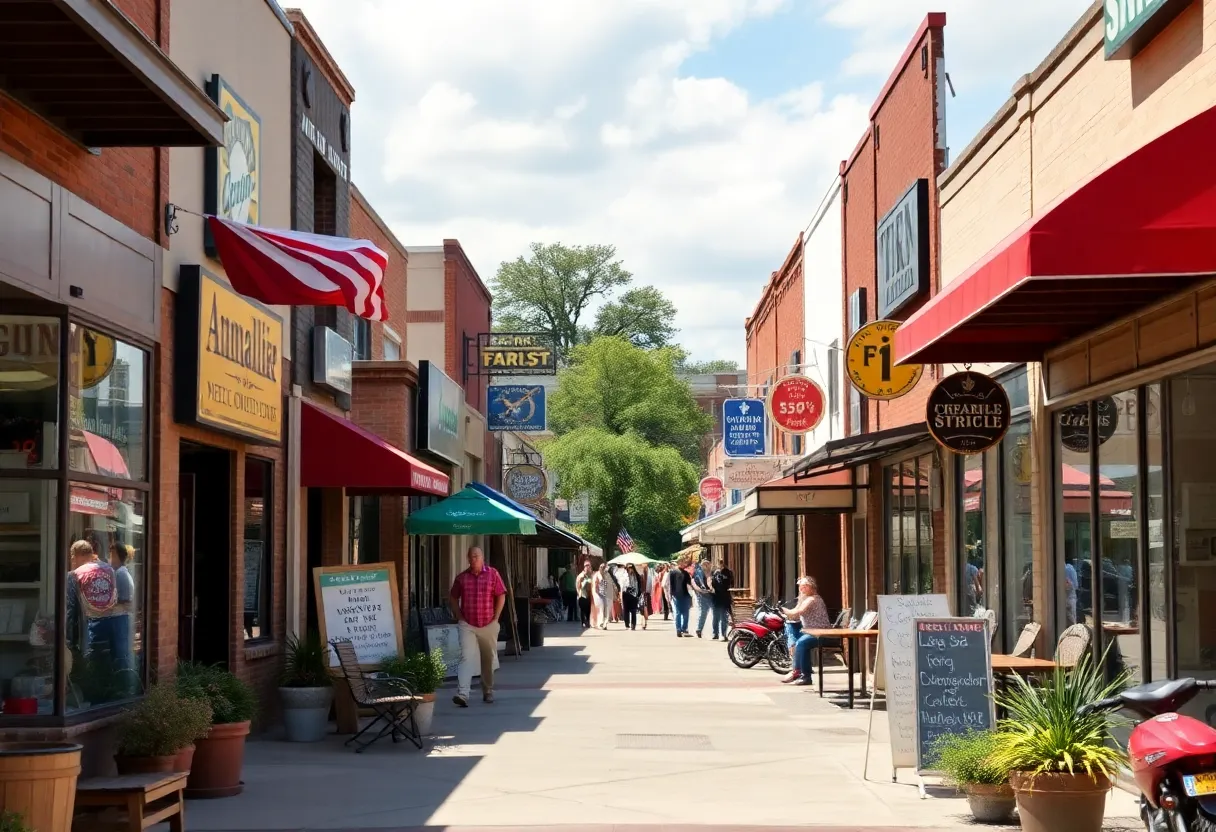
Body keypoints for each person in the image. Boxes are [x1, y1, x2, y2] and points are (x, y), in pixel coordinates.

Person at [449, 546, 507, 706]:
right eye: (471, 557)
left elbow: (501, 595)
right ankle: (463, 693)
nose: (473, 559)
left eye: (476, 556)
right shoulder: (462, 578)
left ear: (482, 558)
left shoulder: (493, 574)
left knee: (487, 658)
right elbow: (453, 597)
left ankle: (487, 690)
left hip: (488, 623)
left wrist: (496, 618)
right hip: (467, 624)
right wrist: (459, 616)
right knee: (466, 657)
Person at [66, 539, 119, 661]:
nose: (72, 561)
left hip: (87, 634)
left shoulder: (74, 575)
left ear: (75, 556)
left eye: (72, 557)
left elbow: (70, 611)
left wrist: (69, 643)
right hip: (109, 632)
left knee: (87, 668)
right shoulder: (109, 570)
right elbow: (115, 598)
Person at [780, 577, 831, 685]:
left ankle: (804, 676)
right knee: (795, 637)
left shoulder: (812, 599)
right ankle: (797, 671)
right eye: (800, 586)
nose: (802, 588)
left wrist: (783, 610)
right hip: (811, 632)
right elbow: (794, 612)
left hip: (821, 633)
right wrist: (786, 612)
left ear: (812, 587)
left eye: (805, 586)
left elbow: (798, 612)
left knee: (801, 643)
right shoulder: (805, 599)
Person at [108, 542, 135, 671]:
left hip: (120, 617)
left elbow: (124, 599)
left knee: (121, 653)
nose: (110, 558)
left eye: (111, 555)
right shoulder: (120, 572)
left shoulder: (120, 574)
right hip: (120, 617)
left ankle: (123, 677)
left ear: (117, 556)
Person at [667, 556, 694, 637]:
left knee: (686, 613)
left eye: (684, 562)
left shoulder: (686, 573)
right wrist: (670, 594)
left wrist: (691, 594)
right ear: (678, 563)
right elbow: (670, 584)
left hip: (685, 595)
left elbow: (689, 584)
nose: (683, 564)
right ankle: (679, 629)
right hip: (676, 595)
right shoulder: (672, 572)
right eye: (682, 562)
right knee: (678, 613)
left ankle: (684, 629)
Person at [710, 556, 733, 640]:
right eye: (719, 562)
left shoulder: (728, 572)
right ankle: (715, 633)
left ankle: (724, 634)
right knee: (716, 617)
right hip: (716, 597)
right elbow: (712, 583)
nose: (720, 564)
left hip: (725, 596)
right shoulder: (715, 572)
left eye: (721, 562)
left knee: (724, 617)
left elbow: (731, 583)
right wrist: (712, 588)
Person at [692, 558, 713, 638]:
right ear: (701, 565)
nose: (706, 566)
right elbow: (693, 582)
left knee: (715, 613)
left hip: (713, 595)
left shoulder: (713, 572)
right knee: (703, 613)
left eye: (707, 564)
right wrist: (700, 590)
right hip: (702, 595)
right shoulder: (697, 572)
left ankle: (716, 632)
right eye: (704, 564)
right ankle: (699, 629)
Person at [620, 563, 641, 630]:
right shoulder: (623, 575)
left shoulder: (636, 576)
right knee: (626, 610)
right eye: (628, 567)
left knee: (633, 610)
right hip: (626, 593)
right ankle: (627, 624)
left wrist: (638, 594)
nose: (630, 569)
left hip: (634, 594)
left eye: (631, 567)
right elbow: (621, 585)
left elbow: (639, 585)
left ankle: (633, 625)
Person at [575, 561, 594, 629]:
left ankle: (588, 622)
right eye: (586, 566)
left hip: (589, 595)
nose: (588, 567)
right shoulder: (581, 576)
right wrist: (579, 594)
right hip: (582, 595)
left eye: (589, 566)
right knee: (583, 609)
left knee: (588, 610)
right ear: (584, 567)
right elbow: (577, 586)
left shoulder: (591, 575)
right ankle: (583, 622)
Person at [592, 563, 611, 629]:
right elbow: (595, 584)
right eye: (601, 567)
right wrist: (596, 593)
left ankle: (605, 623)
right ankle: (601, 623)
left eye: (603, 567)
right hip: (599, 594)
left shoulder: (606, 575)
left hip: (606, 594)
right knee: (601, 609)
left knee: (605, 609)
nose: (602, 568)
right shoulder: (597, 575)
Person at [640, 564, 654, 630]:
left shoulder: (649, 576)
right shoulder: (641, 576)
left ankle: (644, 622)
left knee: (645, 608)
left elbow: (650, 586)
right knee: (643, 609)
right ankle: (644, 622)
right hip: (642, 594)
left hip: (646, 594)